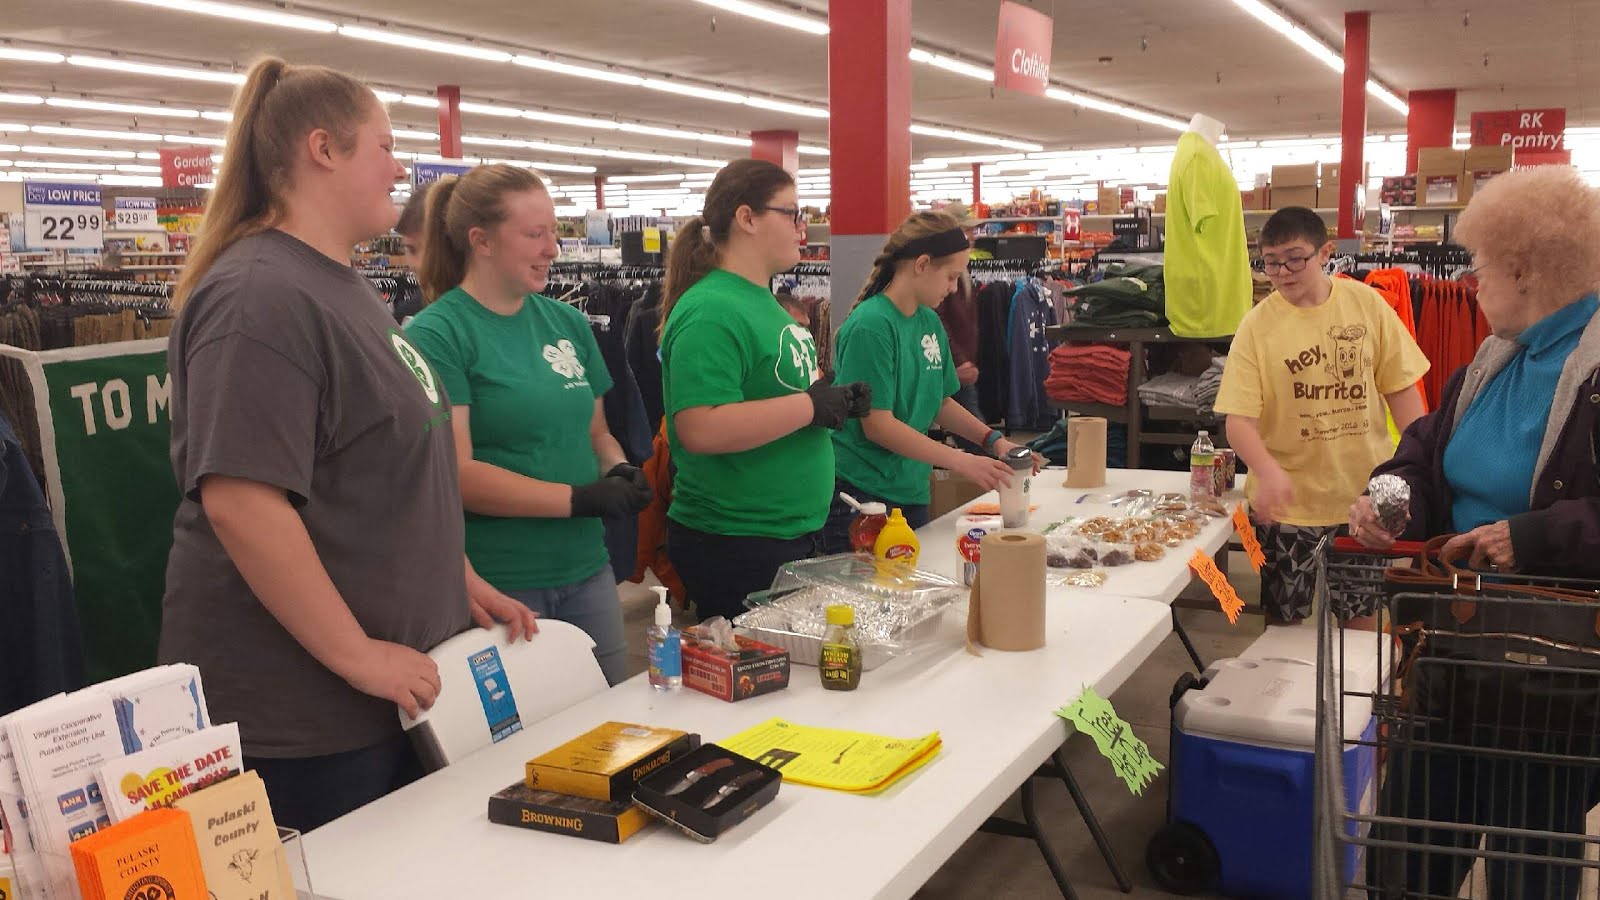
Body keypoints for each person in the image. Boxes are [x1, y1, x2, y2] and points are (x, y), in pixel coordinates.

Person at [159, 58, 536, 834]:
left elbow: (379, 463)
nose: (401, 168)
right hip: (302, 721)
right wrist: (360, 656)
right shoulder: (259, 295)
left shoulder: (340, 284)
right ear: (323, 149)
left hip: (381, 703)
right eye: (386, 146)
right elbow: (242, 500)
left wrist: (454, 577)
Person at [1348, 165, 1600, 900]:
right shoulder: (1491, 362)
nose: (1469, 283)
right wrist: (1390, 499)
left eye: (1480, 267)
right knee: (1410, 846)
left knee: (1531, 862)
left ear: (1522, 269)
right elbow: (1425, 453)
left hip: (1551, 675)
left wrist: (1532, 534)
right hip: (1449, 648)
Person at [405, 164, 650, 686]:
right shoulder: (439, 334)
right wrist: (578, 499)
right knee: (516, 751)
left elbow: (596, 431)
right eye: (535, 234)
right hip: (500, 581)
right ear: (482, 241)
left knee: (608, 726)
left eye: (554, 232)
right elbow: (458, 473)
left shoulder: (566, 323)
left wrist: (620, 468)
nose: (553, 249)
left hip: (586, 568)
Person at [659, 158, 870, 622]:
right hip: (738, 540)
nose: (804, 227)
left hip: (786, 531)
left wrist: (832, 400)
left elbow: (775, 398)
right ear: (747, 218)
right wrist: (807, 407)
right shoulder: (712, 309)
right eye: (793, 213)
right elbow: (700, 427)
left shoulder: (763, 303)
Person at [1214, 206, 1428, 624]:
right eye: (1271, 262)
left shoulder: (1367, 305)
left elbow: (1403, 395)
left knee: (1363, 628)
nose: (1283, 272)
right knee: (1283, 625)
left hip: (1361, 504)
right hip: (1287, 511)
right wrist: (1267, 470)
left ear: (1326, 252)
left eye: (1295, 258)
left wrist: (1417, 468)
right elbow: (1238, 421)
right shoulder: (1256, 326)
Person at [820, 211, 1035, 554]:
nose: (954, 288)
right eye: (950, 277)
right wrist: (961, 460)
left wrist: (994, 441)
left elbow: (939, 401)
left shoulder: (928, 322)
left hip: (909, 493)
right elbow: (878, 425)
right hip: (862, 499)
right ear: (921, 264)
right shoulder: (871, 326)